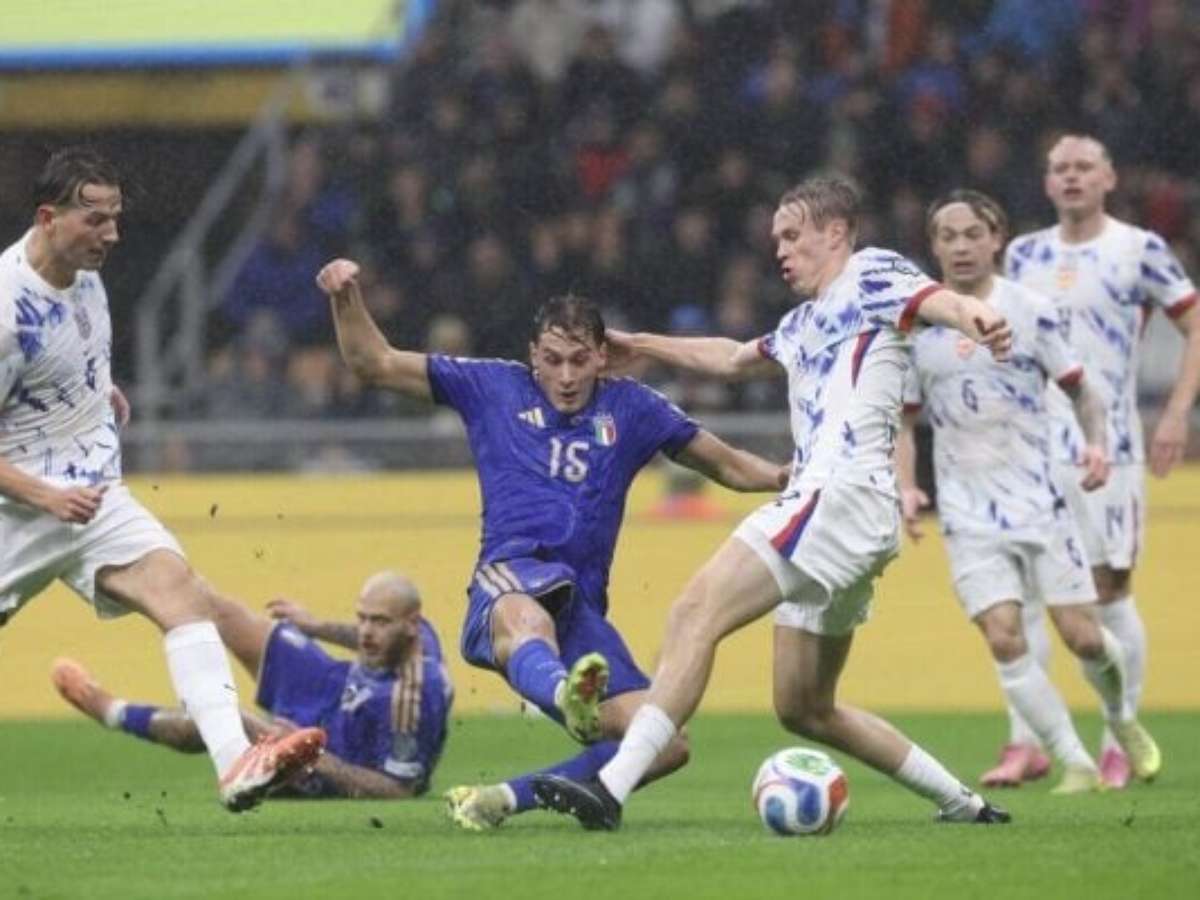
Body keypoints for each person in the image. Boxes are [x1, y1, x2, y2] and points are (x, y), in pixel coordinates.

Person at [530, 174, 1017, 831]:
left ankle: (611, 787)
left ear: (835, 233)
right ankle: (965, 804)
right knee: (805, 708)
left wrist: (977, 318)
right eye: (776, 240)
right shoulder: (803, 323)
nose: (780, 251)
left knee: (695, 610)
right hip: (851, 517)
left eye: (791, 235)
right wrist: (640, 345)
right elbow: (731, 358)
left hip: (837, 494)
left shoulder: (872, 275)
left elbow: (939, 301)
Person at [315, 262, 790, 830]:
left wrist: (787, 478)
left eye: (579, 360)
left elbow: (730, 466)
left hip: (580, 612)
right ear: (533, 356)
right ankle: (567, 694)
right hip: (509, 581)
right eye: (553, 359)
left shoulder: (634, 408)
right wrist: (345, 297)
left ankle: (504, 799)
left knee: (665, 742)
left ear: (602, 357)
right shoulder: (492, 386)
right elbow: (374, 362)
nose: (565, 375)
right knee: (529, 615)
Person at [0, 146, 323, 811]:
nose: (112, 234)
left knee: (179, 590)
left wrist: (96, 391)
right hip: (23, 511)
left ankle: (236, 763)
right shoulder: (7, 311)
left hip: (94, 498)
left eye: (116, 218)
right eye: (96, 219)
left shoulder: (85, 276)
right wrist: (47, 496)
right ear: (48, 218)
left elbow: (63, 361)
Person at [897, 189, 1159, 794]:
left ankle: (1120, 718)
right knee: (1003, 635)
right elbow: (904, 424)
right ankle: (1075, 761)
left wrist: (1096, 446)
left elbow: (1081, 391)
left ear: (997, 239)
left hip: (1041, 499)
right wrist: (907, 487)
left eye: (973, 234)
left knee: (1082, 636)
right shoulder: (916, 328)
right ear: (934, 247)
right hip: (966, 509)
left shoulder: (1032, 310)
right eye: (947, 236)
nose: (961, 246)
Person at [1002, 134, 1197, 788]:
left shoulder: (1139, 249)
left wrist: (1176, 412)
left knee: (1109, 592)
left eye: (1084, 166)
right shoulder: (1023, 254)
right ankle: (1026, 742)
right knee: (1025, 593)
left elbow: (1195, 323)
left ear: (1109, 178)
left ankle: (1119, 736)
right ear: (1047, 182)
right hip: (1032, 448)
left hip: (1109, 446)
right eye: (1060, 168)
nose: (1072, 176)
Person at [52, 571, 452, 799]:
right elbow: (366, 638)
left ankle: (114, 712)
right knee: (220, 610)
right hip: (335, 685)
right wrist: (315, 627)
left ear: (410, 625)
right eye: (363, 617)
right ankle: (127, 577)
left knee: (226, 717)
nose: (365, 631)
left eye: (378, 622)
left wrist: (308, 753)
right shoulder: (419, 633)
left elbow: (399, 790)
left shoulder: (411, 697)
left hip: (336, 751)